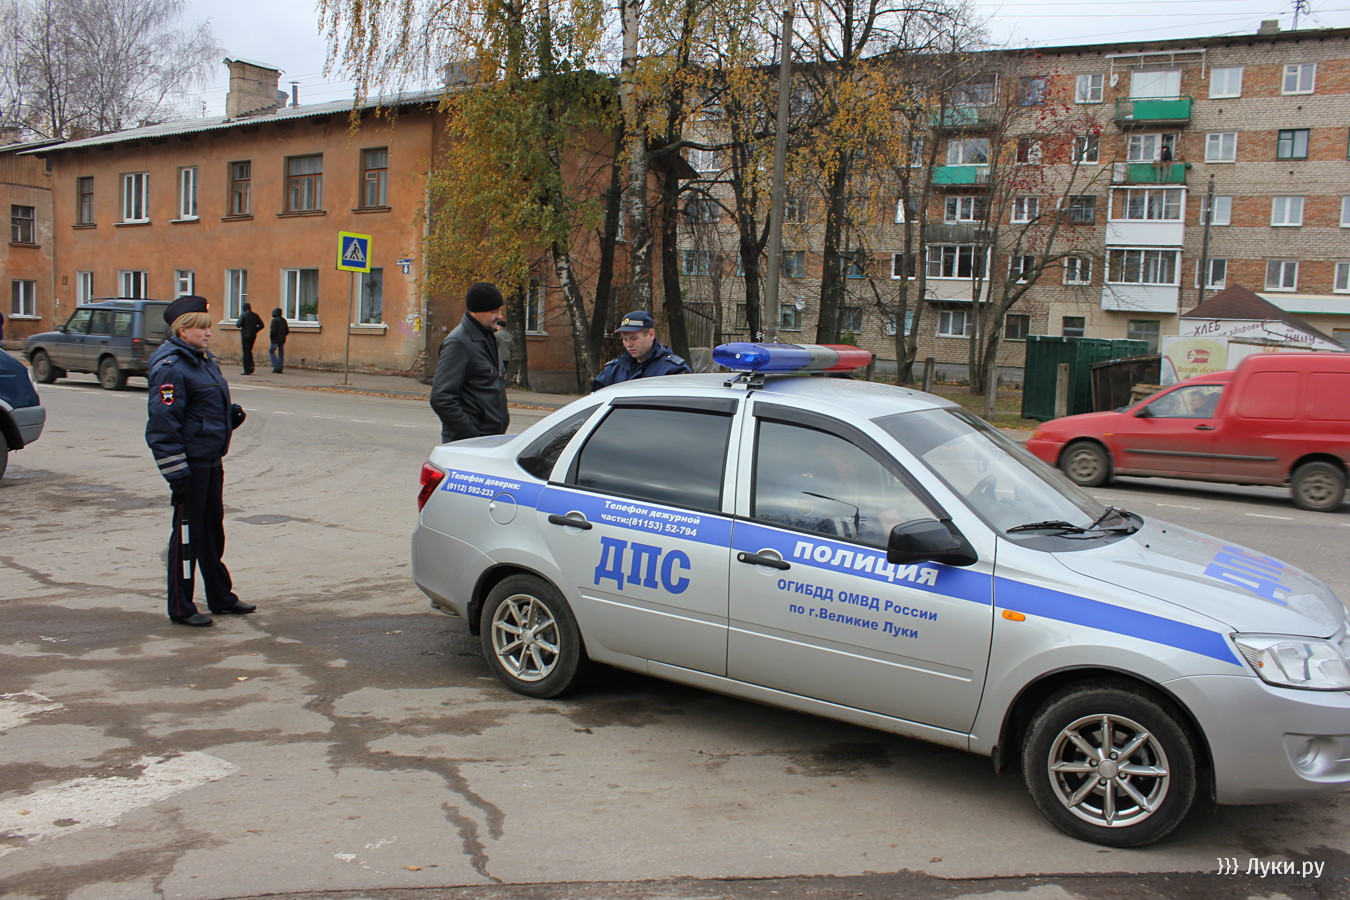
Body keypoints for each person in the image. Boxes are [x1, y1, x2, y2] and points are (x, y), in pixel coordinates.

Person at [145, 295, 253, 627]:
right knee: (187, 537)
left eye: (208, 328)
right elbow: (163, 424)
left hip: (210, 459)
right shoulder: (171, 368)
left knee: (211, 532)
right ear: (183, 330)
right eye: (201, 328)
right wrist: (176, 473)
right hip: (190, 465)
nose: (208, 333)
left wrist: (228, 417)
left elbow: (201, 409)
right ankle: (181, 606)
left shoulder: (203, 361)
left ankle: (220, 596)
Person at [430, 282, 509, 443]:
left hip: (489, 440)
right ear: (475, 312)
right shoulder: (458, 343)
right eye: (493, 311)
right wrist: (470, 436)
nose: (499, 316)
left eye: (499, 310)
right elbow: (442, 398)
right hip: (469, 444)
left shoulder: (488, 337)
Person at [590, 310, 691, 392]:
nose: (629, 344)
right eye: (625, 339)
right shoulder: (614, 370)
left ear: (651, 335)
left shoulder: (672, 370)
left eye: (634, 338)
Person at [235, 303, 264, 374]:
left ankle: (247, 370)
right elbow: (262, 325)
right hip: (253, 335)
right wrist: (255, 330)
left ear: (244, 308)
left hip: (245, 335)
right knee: (249, 351)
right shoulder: (255, 315)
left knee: (246, 353)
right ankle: (251, 366)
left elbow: (238, 325)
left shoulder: (243, 315)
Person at [268, 308, 289, 373]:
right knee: (281, 353)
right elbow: (287, 331)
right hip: (282, 339)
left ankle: (276, 366)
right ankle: (280, 367)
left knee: (271, 351)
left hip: (275, 339)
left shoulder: (274, 320)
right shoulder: (284, 320)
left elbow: (273, 331)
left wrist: (271, 336)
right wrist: (283, 335)